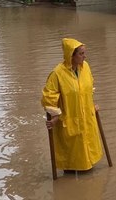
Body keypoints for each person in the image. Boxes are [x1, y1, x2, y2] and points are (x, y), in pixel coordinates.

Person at [42, 38, 103, 172]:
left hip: (86, 116)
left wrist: (91, 105)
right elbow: (48, 97)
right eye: (81, 54)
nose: (84, 56)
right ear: (71, 55)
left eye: (84, 53)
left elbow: (87, 88)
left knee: (88, 157)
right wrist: (56, 116)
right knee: (72, 160)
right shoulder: (57, 73)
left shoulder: (85, 67)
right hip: (70, 119)